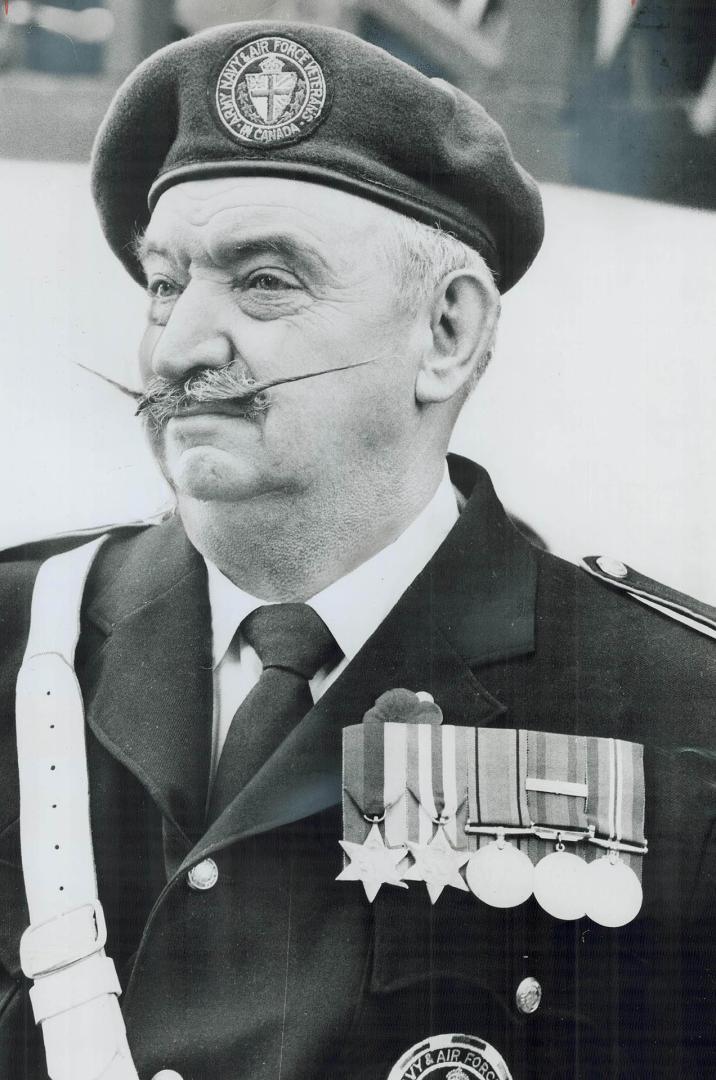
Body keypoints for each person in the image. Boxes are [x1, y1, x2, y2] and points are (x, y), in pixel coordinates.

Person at [0, 21, 713, 1080]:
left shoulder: (672, 714)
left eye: (265, 282)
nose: (178, 346)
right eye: (164, 282)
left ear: (445, 335)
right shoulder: (22, 637)